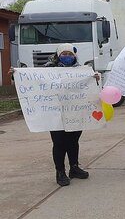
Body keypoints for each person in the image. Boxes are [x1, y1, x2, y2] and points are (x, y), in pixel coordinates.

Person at [9, 43, 99, 187]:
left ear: (74, 56)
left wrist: (94, 78)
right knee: (59, 143)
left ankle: (74, 168)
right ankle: (60, 172)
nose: (67, 57)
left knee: (73, 141)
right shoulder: (48, 68)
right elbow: (32, 79)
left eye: (70, 54)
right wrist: (16, 75)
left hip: (75, 111)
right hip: (55, 112)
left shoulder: (81, 70)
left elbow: (88, 88)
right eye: (64, 54)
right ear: (58, 55)